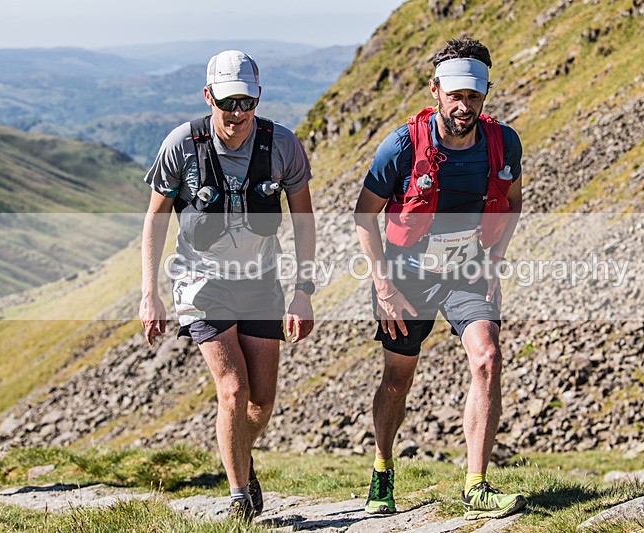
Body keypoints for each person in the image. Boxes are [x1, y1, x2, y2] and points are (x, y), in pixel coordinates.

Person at [139, 50, 316, 521]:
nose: (237, 114)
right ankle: (239, 497)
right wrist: (149, 291)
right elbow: (155, 219)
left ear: (257, 98)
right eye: (226, 102)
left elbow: (304, 219)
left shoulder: (282, 146)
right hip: (201, 283)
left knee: (261, 400)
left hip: (261, 281)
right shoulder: (182, 143)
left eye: (246, 102)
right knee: (234, 391)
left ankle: (237, 453)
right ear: (207, 96)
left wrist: (304, 289)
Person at [353, 36, 526, 520]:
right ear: (436, 91)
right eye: (456, 95)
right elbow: (364, 216)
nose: (464, 106)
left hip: (468, 271)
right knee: (397, 380)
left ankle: (476, 485)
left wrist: (495, 260)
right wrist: (383, 285)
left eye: (474, 96)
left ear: (485, 93)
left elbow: (512, 202)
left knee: (487, 357)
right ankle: (383, 469)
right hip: (405, 278)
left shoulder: (503, 142)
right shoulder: (402, 146)